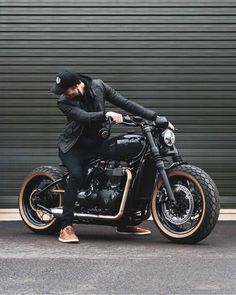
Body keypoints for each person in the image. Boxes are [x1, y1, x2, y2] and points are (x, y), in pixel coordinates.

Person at [51, 69, 173, 243]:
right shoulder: (64, 102)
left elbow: (126, 103)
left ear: (77, 85)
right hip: (73, 146)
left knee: (127, 167)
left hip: (97, 143)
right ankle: (66, 227)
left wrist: (157, 118)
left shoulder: (99, 86)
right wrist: (105, 114)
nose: (63, 93)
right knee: (77, 175)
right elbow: (82, 117)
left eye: (65, 90)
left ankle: (125, 221)